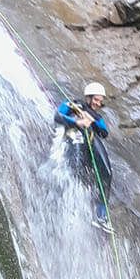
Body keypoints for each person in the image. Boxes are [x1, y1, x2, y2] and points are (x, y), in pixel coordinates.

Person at [54, 82, 114, 233]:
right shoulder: (73, 105)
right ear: (89, 97)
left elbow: (104, 132)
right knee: (75, 172)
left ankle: (101, 217)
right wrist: (77, 121)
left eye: (100, 101)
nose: (98, 103)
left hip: (91, 144)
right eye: (96, 100)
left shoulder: (97, 117)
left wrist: (91, 121)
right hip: (75, 138)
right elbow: (58, 115)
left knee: (107, 173)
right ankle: (68, 212)